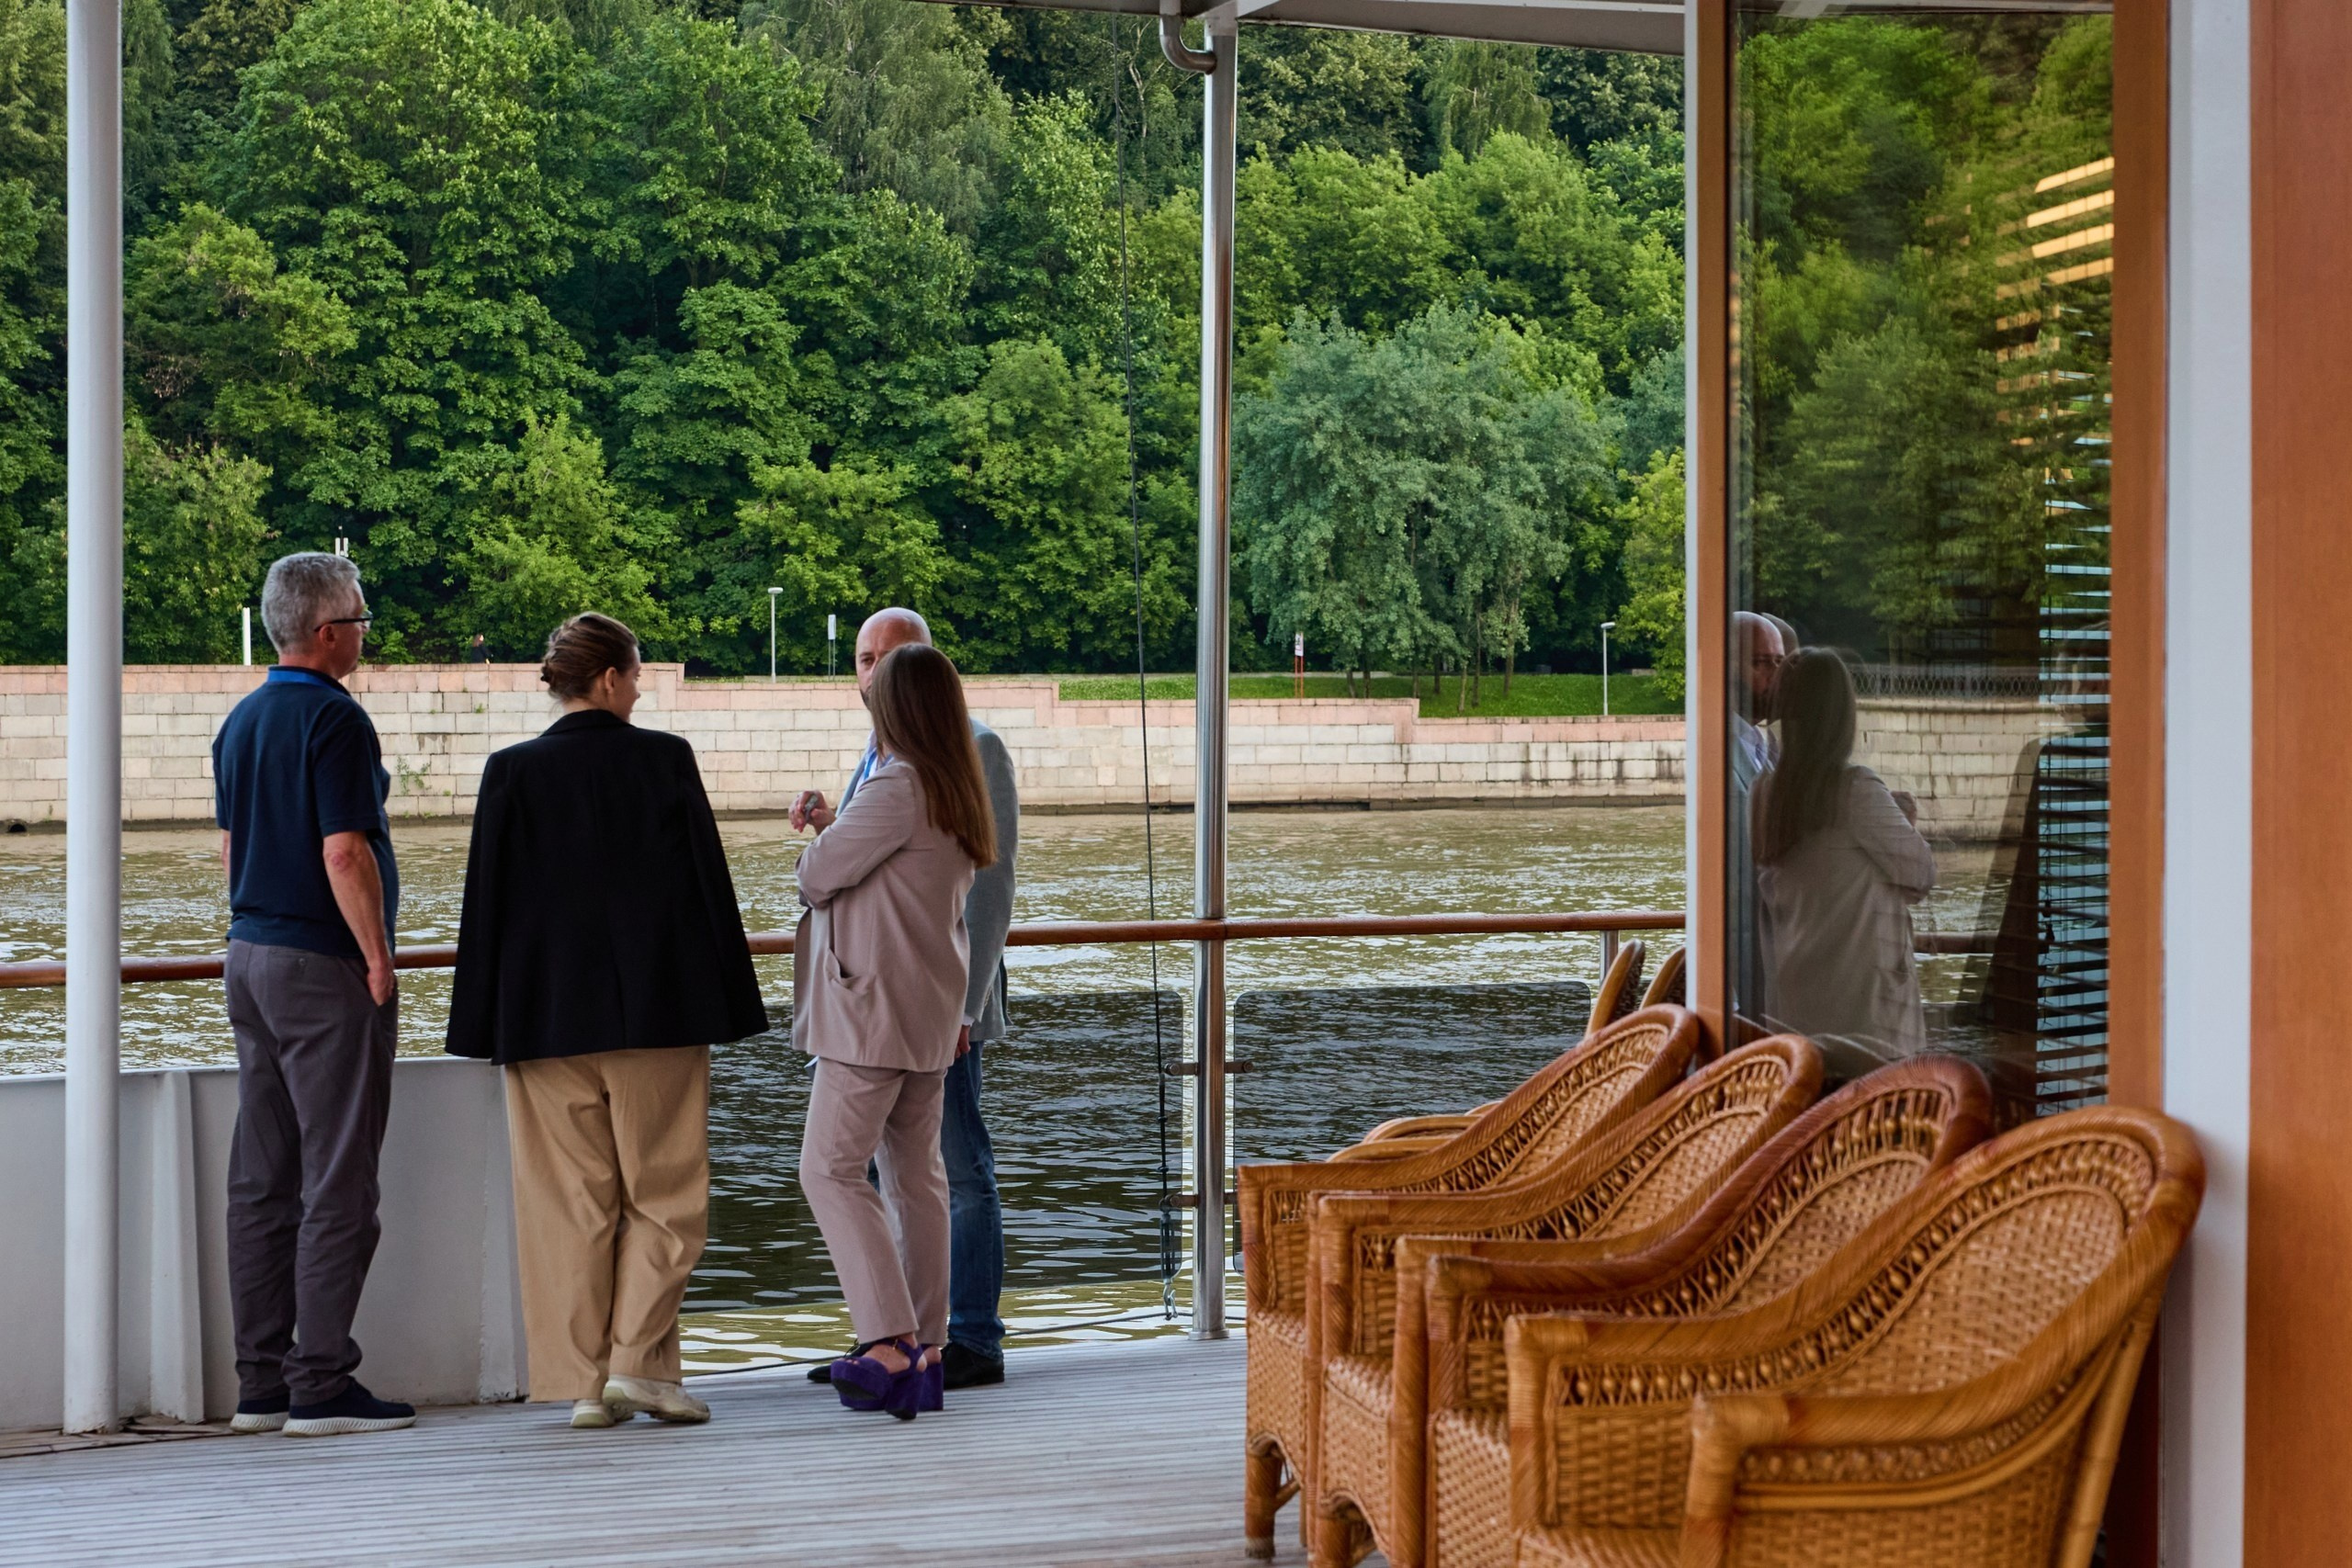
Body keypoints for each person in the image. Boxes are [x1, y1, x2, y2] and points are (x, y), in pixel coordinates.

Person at [446, 614, 767, 1431]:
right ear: (615, 679)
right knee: (666, 1196)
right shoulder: (664, 760)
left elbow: (485, 906)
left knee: (567, 1206)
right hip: (658, 1011)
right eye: (638, 672)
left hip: (543, 1019)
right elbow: (707, 888)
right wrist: (736, 1000)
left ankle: (589, 1383)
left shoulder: (509, 772)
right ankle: (635, 1365)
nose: (642, 686)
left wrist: (482, 1023)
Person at [211, 551, 413, 1438]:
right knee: (338, 1180)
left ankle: (259, 1383)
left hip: (247, 956)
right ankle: (320, 1384)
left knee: (261, 1180)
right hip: (320, 968)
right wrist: (376, 957)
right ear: (328, 631)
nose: (366, 633)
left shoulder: (241, 720)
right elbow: (344, 851)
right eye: (362, 620)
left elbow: (229, 851)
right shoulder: (336, 720)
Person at [794, 608, 1019, 1391]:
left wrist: (823, 839)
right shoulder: (951, 777)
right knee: (915, 1174)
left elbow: (818, 876)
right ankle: (925, 1344)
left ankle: (888, 1337)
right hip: (925, 1008)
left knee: (827, 1168)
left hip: (874, 1011)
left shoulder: (899, 779)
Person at [1752, 648, 1937, 1074]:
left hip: (1795, 1016)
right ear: (1842, 716)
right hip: (1868, 1024)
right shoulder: (1856, 790)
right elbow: (1921, 874)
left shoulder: (1763, 794)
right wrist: (1904, 818)